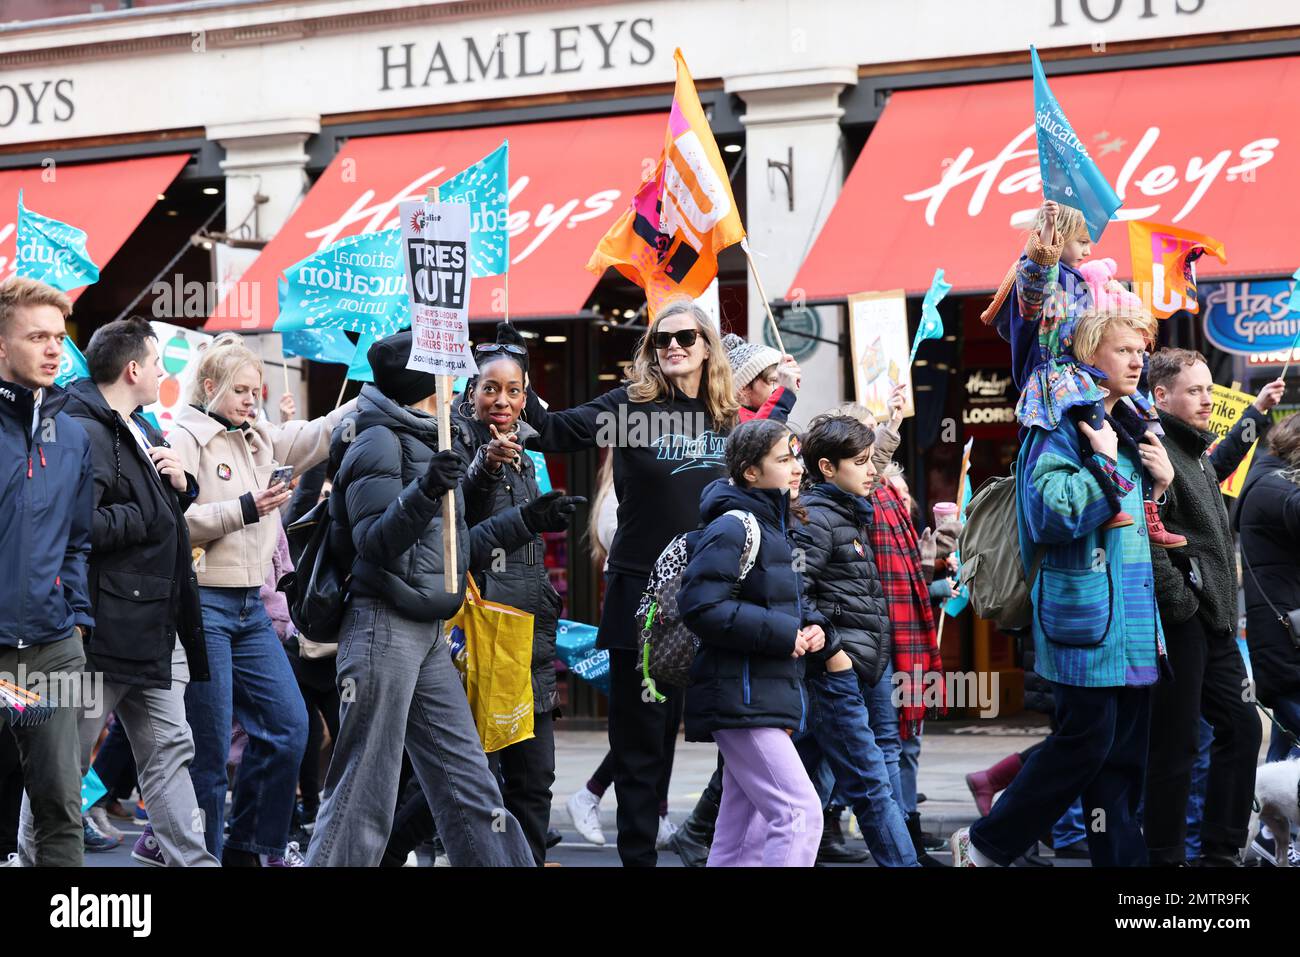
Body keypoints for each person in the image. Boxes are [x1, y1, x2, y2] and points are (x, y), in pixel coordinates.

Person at [305, 330, 579, 867]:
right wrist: (426, 488)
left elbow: (450, 551)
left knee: (468, 782)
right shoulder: (378, 440)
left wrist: (528, 519)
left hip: (428, 632)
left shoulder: (435, 438)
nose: (458, 381)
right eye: (447, 371)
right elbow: (375, 543)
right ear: (423, 381)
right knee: (365, 788)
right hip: (384, 627)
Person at [521, 297, 752, 866]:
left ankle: (726, 848)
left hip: (718, 599)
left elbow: (771, 477)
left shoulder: (727, 419)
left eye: (686, 338)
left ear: (707, 349)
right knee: (641, 747)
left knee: (746, 735)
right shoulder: (629, 408)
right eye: (661, 340)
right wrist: (513, 367)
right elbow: (548, 429)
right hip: (642, 601)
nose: (672, 346)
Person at [952, 306, 1170, 868]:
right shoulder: (1061, 427)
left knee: (1120, 761)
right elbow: (1052, 513)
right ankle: (985, 844)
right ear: (1088, 353)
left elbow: (1138, 526)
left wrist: (1161, 483)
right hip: (1086, 618)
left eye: (1140, 348)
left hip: (1134, 624)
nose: (1137, 358)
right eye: (1124, 348)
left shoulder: (1132, 426)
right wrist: (1103, 465)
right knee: (1083, 745)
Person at [30, 318, 217, 867]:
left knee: (170, 750)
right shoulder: (81, 428)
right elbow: (73, 523)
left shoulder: (139, 423)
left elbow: (164, 507)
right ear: (133, 369)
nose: (163, 373)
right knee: (61, 759)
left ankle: (192, 861)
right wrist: (146, 513)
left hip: (151, 627)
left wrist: (184, 486)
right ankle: (31, 857)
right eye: (158, 364)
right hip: (101, 631)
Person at [169, 332, 355, 865]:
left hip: (253, 608)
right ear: (210, 386)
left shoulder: (258, 435)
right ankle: (201, 854)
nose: (254, 399)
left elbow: (316, 434)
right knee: (207, 753)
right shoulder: (184, 436)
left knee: (289, 729)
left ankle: (254, 847)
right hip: (203, 607)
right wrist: (245, 509)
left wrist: (377, 393)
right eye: (243, 390)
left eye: (258, 390)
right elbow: (173, 524)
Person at [443, 324, 585, 864]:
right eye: (490, 388)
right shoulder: (451, 445)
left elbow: (522, 536)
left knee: (535, 780)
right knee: (464, 783)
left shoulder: (528, 450)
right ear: (469, 392)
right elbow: (456, 543)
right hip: (476, 639)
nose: (502, 400)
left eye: (514, 390)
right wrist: (483, 472)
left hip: (528, 638)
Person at [1142, 350, 1280, 866]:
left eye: (1208, 389)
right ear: (1162, 396)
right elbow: (1144, 537)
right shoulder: (1151, 447)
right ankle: (1165, 857)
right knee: (1175, 747)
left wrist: (1257, 413)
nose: (1206, 399)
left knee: (1242, 729)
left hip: (1214, 620)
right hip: (1185, 621)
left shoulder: (1194, 450)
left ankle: (1220, 855)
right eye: (1195, 391)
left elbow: (1219, 466)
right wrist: (1183, 601)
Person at [986, 199, 1183, 548]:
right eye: (1081, 240)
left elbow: (1100, 326)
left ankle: (1149, 506)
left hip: (1083, 374)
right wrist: (1044, 241)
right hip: (1056, 378)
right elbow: (1033, 288)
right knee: (1093, 423)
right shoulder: (1039, 273)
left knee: (1146, 425)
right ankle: (1105, 502)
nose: (1089, 250)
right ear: (1059, 237)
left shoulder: (1079, 279)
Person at [677, 418, 826, 866]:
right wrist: (786, 635)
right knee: (798, 814)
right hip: (741, 695)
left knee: (745, 831)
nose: (797, 467)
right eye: (784, 459)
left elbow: (782, 602)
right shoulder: (734, 527)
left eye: (796, 456)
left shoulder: (775, 526)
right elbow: (701, 607)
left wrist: (816, 628)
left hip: (758, 691)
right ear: (751, 473)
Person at [792, 413, 921, 866]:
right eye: (862, 462)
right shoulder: (817, 518)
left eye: (873, 460)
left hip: (864, 665)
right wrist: (834, 653)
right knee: (871, 787)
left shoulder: (847, 510)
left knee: (794, 790)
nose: (873, 470)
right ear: (827, 467)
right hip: (836, 674)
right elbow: (797, 591)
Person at [0, 277, 95, 867]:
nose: (54, 349)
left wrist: (77, 617)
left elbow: (78, 541)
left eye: (59, 337)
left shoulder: (75, 435)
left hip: (54, 649)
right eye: (37, 337)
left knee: (62, 804)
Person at [1238, 411, 1300, 865]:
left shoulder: (1271, 481)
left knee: (1285, 747)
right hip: (1284, 638)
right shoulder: (1274, 488)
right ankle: (1275, 835)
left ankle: (1271, 836)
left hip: (1285, 633)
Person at [720, 333, 800, 422]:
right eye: (773, 380)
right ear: (743, 390)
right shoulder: (730, 423)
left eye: (783, 379)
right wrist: (785, 395)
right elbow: (760, 433)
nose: (781, 386)